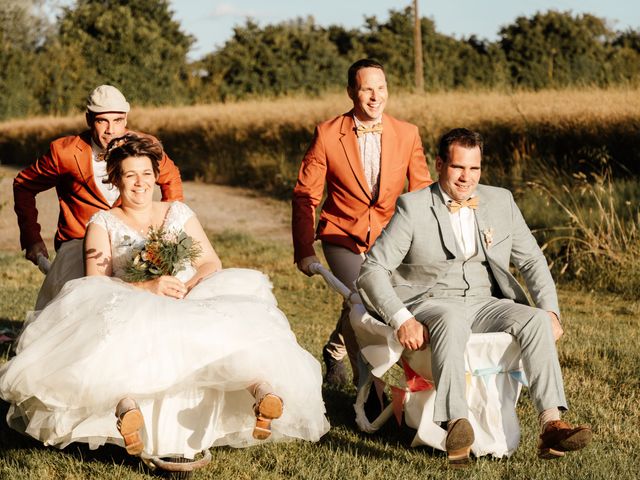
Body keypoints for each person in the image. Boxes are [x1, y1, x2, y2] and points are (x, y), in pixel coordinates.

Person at [0, 134, 329, 462]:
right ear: (115, 179)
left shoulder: (177, 212)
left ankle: (261, 392)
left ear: (156, 176)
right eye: (130, 175)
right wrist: (147, 288)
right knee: (123, 334)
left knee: (227, 323)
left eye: (146, 174)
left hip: (188, 293)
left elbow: (209, 262)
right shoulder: (103, 223)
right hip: (128, 297)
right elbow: (95, 283)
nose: (140, 183)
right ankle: (126, 409)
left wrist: (190, 287)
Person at [356, 128, 592, 465]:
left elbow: (531, 260)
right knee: (451, 319)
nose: (467, 178)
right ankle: (456, 424)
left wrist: (551, 310)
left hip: (485, 301)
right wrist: (401, 317)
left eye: (474, 169)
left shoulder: (501, 200)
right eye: (458, 168)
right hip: (432, 299)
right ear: (439, 164)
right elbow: (372, 269)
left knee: (537, 320)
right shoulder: (413, 207)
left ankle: (551, 423)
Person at [292, 58, 432, 386]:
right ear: (351, 92)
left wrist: (430, 242)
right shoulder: (327, 134)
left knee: (373, 298)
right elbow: (305, 195)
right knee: (367, 299)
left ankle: (335, 348)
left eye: (381, 88)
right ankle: (367, 391)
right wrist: (303, 249)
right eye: (367, 88)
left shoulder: (407, 134)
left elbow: (423, 192)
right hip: (341, 235)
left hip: (389, 239)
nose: (375, 96)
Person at [13, 84, 183, 310]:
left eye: (118, 120)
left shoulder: (146, 146)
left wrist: (168, 233)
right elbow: (24, 184)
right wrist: (31, 237)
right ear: (88, 119)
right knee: (79, 316)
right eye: (102, 121)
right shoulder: (63, 153)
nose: (111, 129)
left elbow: (171, 178)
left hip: (133, 245)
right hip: (79, 246)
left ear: (126, 118)